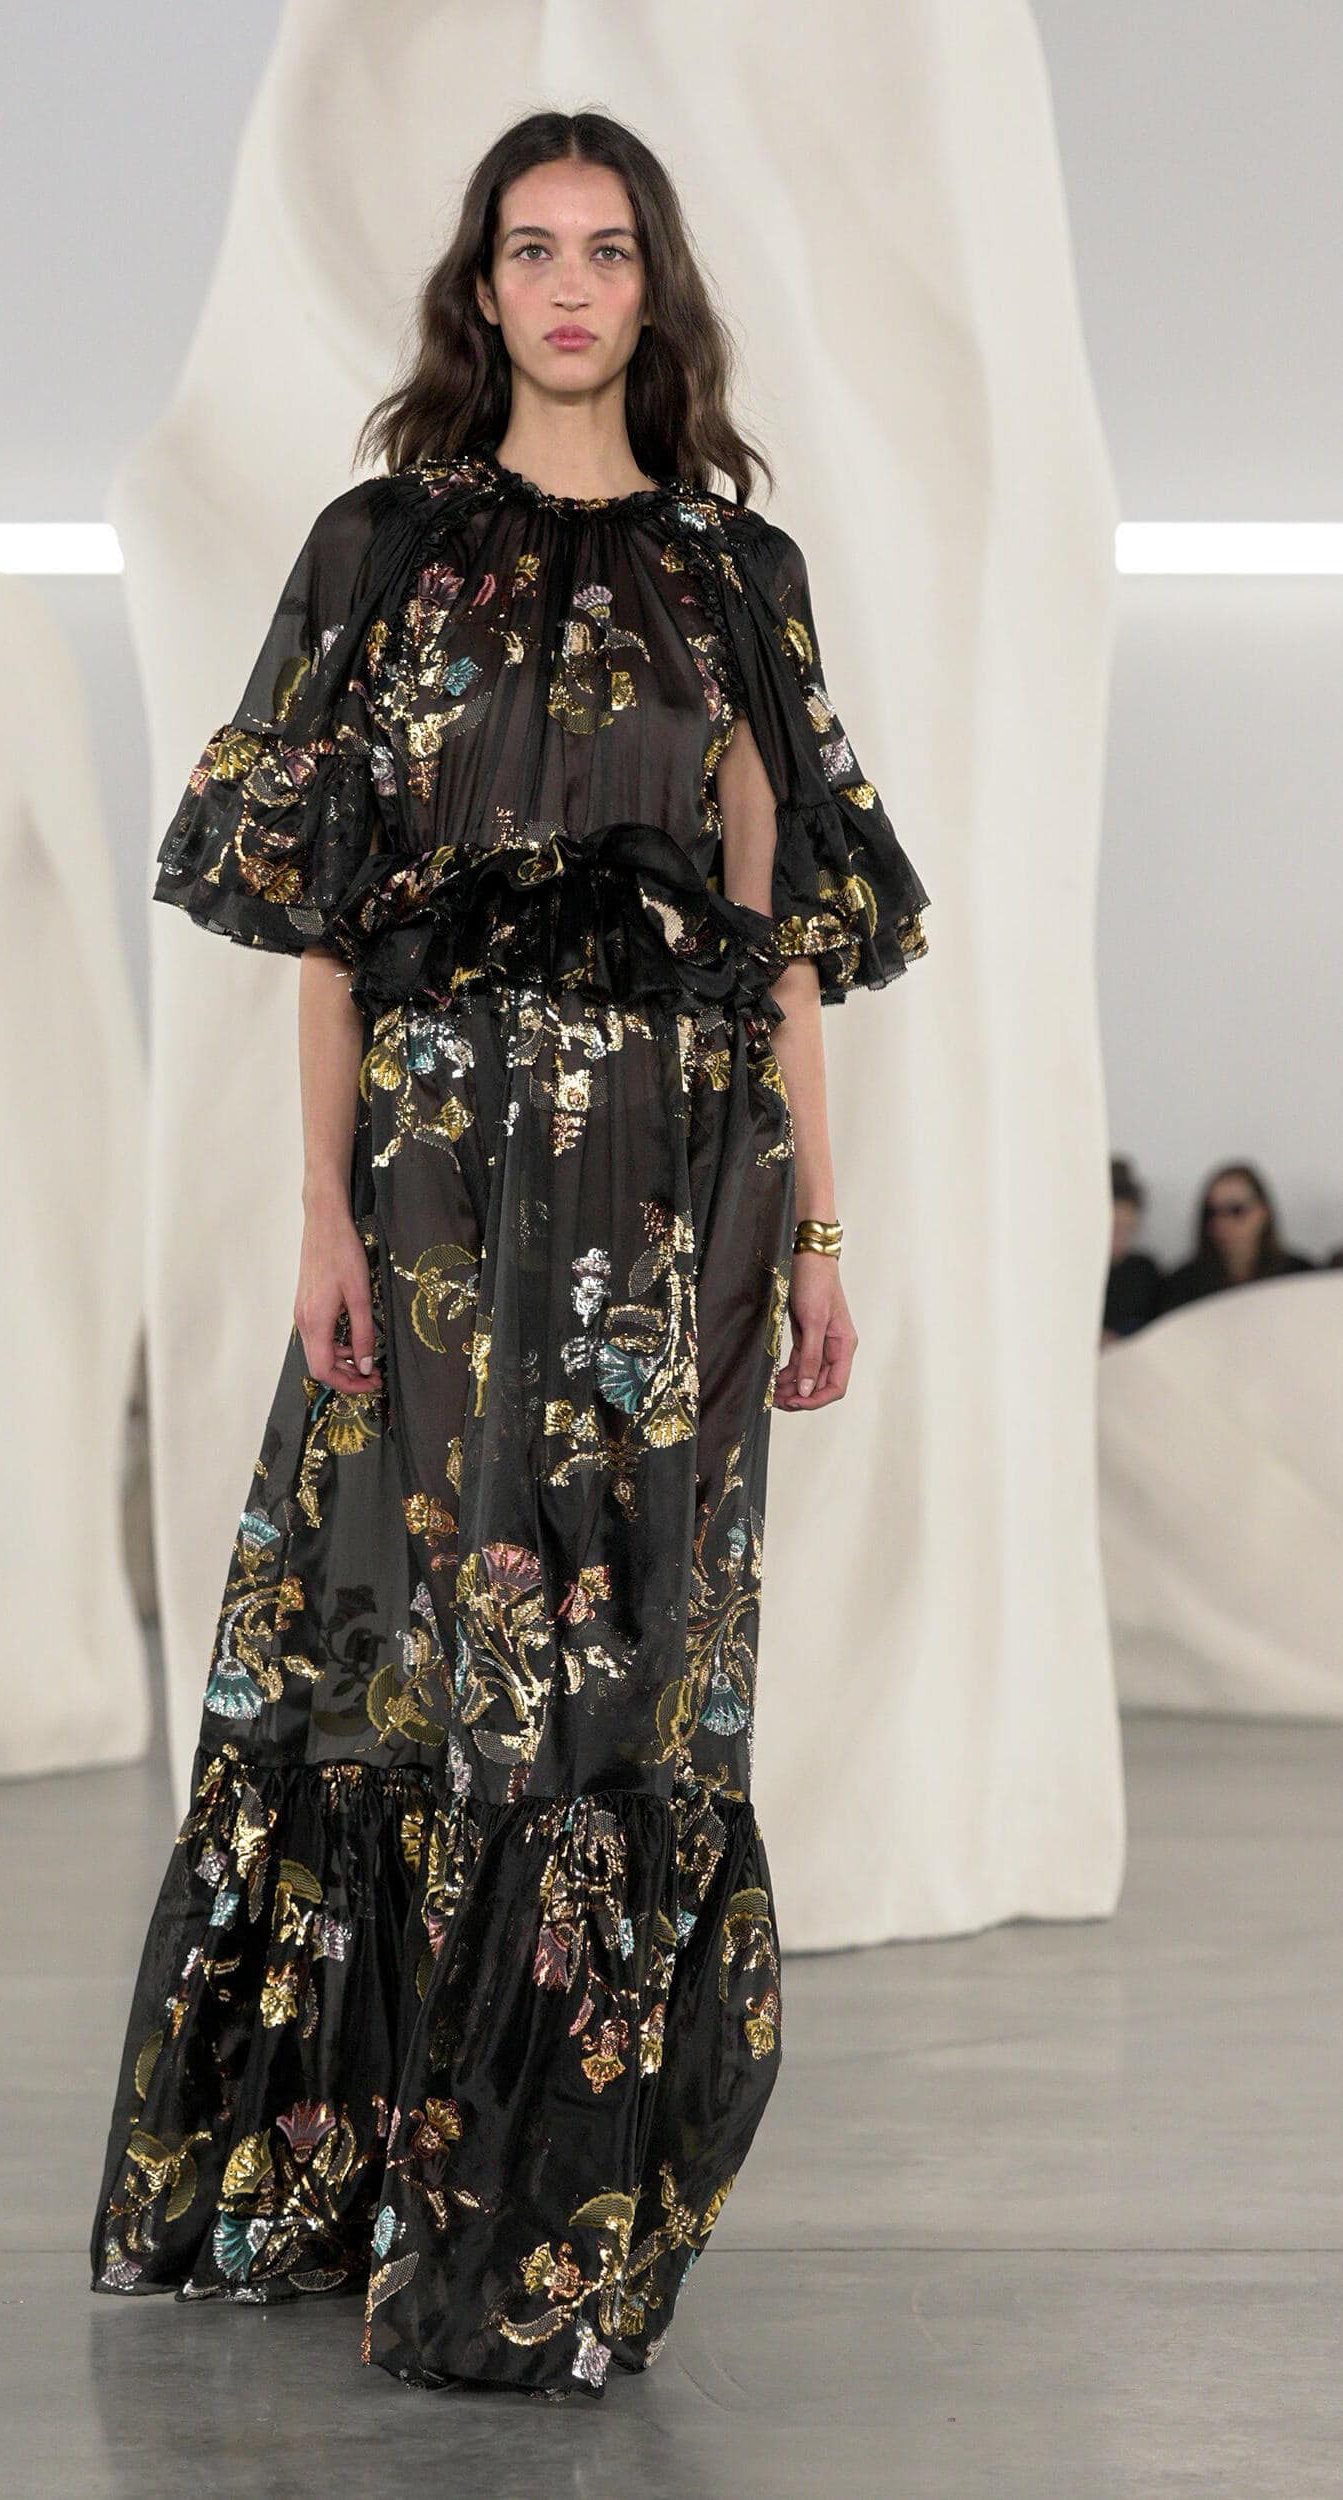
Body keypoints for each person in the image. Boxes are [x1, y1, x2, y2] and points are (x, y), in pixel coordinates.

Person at [89, 109, 930, 2400]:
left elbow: (777, 943)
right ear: (479, 288)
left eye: (607, 249)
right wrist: (321, 1212)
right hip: (444, 1178)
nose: (568, 286)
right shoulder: (377, 551)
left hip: (679, 1189)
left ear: (654, 289)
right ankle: (393, 2186)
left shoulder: (736, 575)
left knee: (632, 1669)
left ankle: (563, 2222)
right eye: (530, 249)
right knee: (461, 1648)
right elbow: (328, 922)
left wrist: (819, 1232)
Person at [1158, 1160, 1315, 1314]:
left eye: (1236, 1210)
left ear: (1263, 1212)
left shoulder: (1301, 1275)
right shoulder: (1182, 1284)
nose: (1222, 1222)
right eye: (1212, 1212)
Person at [1102, 1155, 1163, 1342]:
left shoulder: (1143, 1270)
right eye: (1113, 1229)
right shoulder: (1074, 1271)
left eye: (1128, 1230)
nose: (1120, 1240)